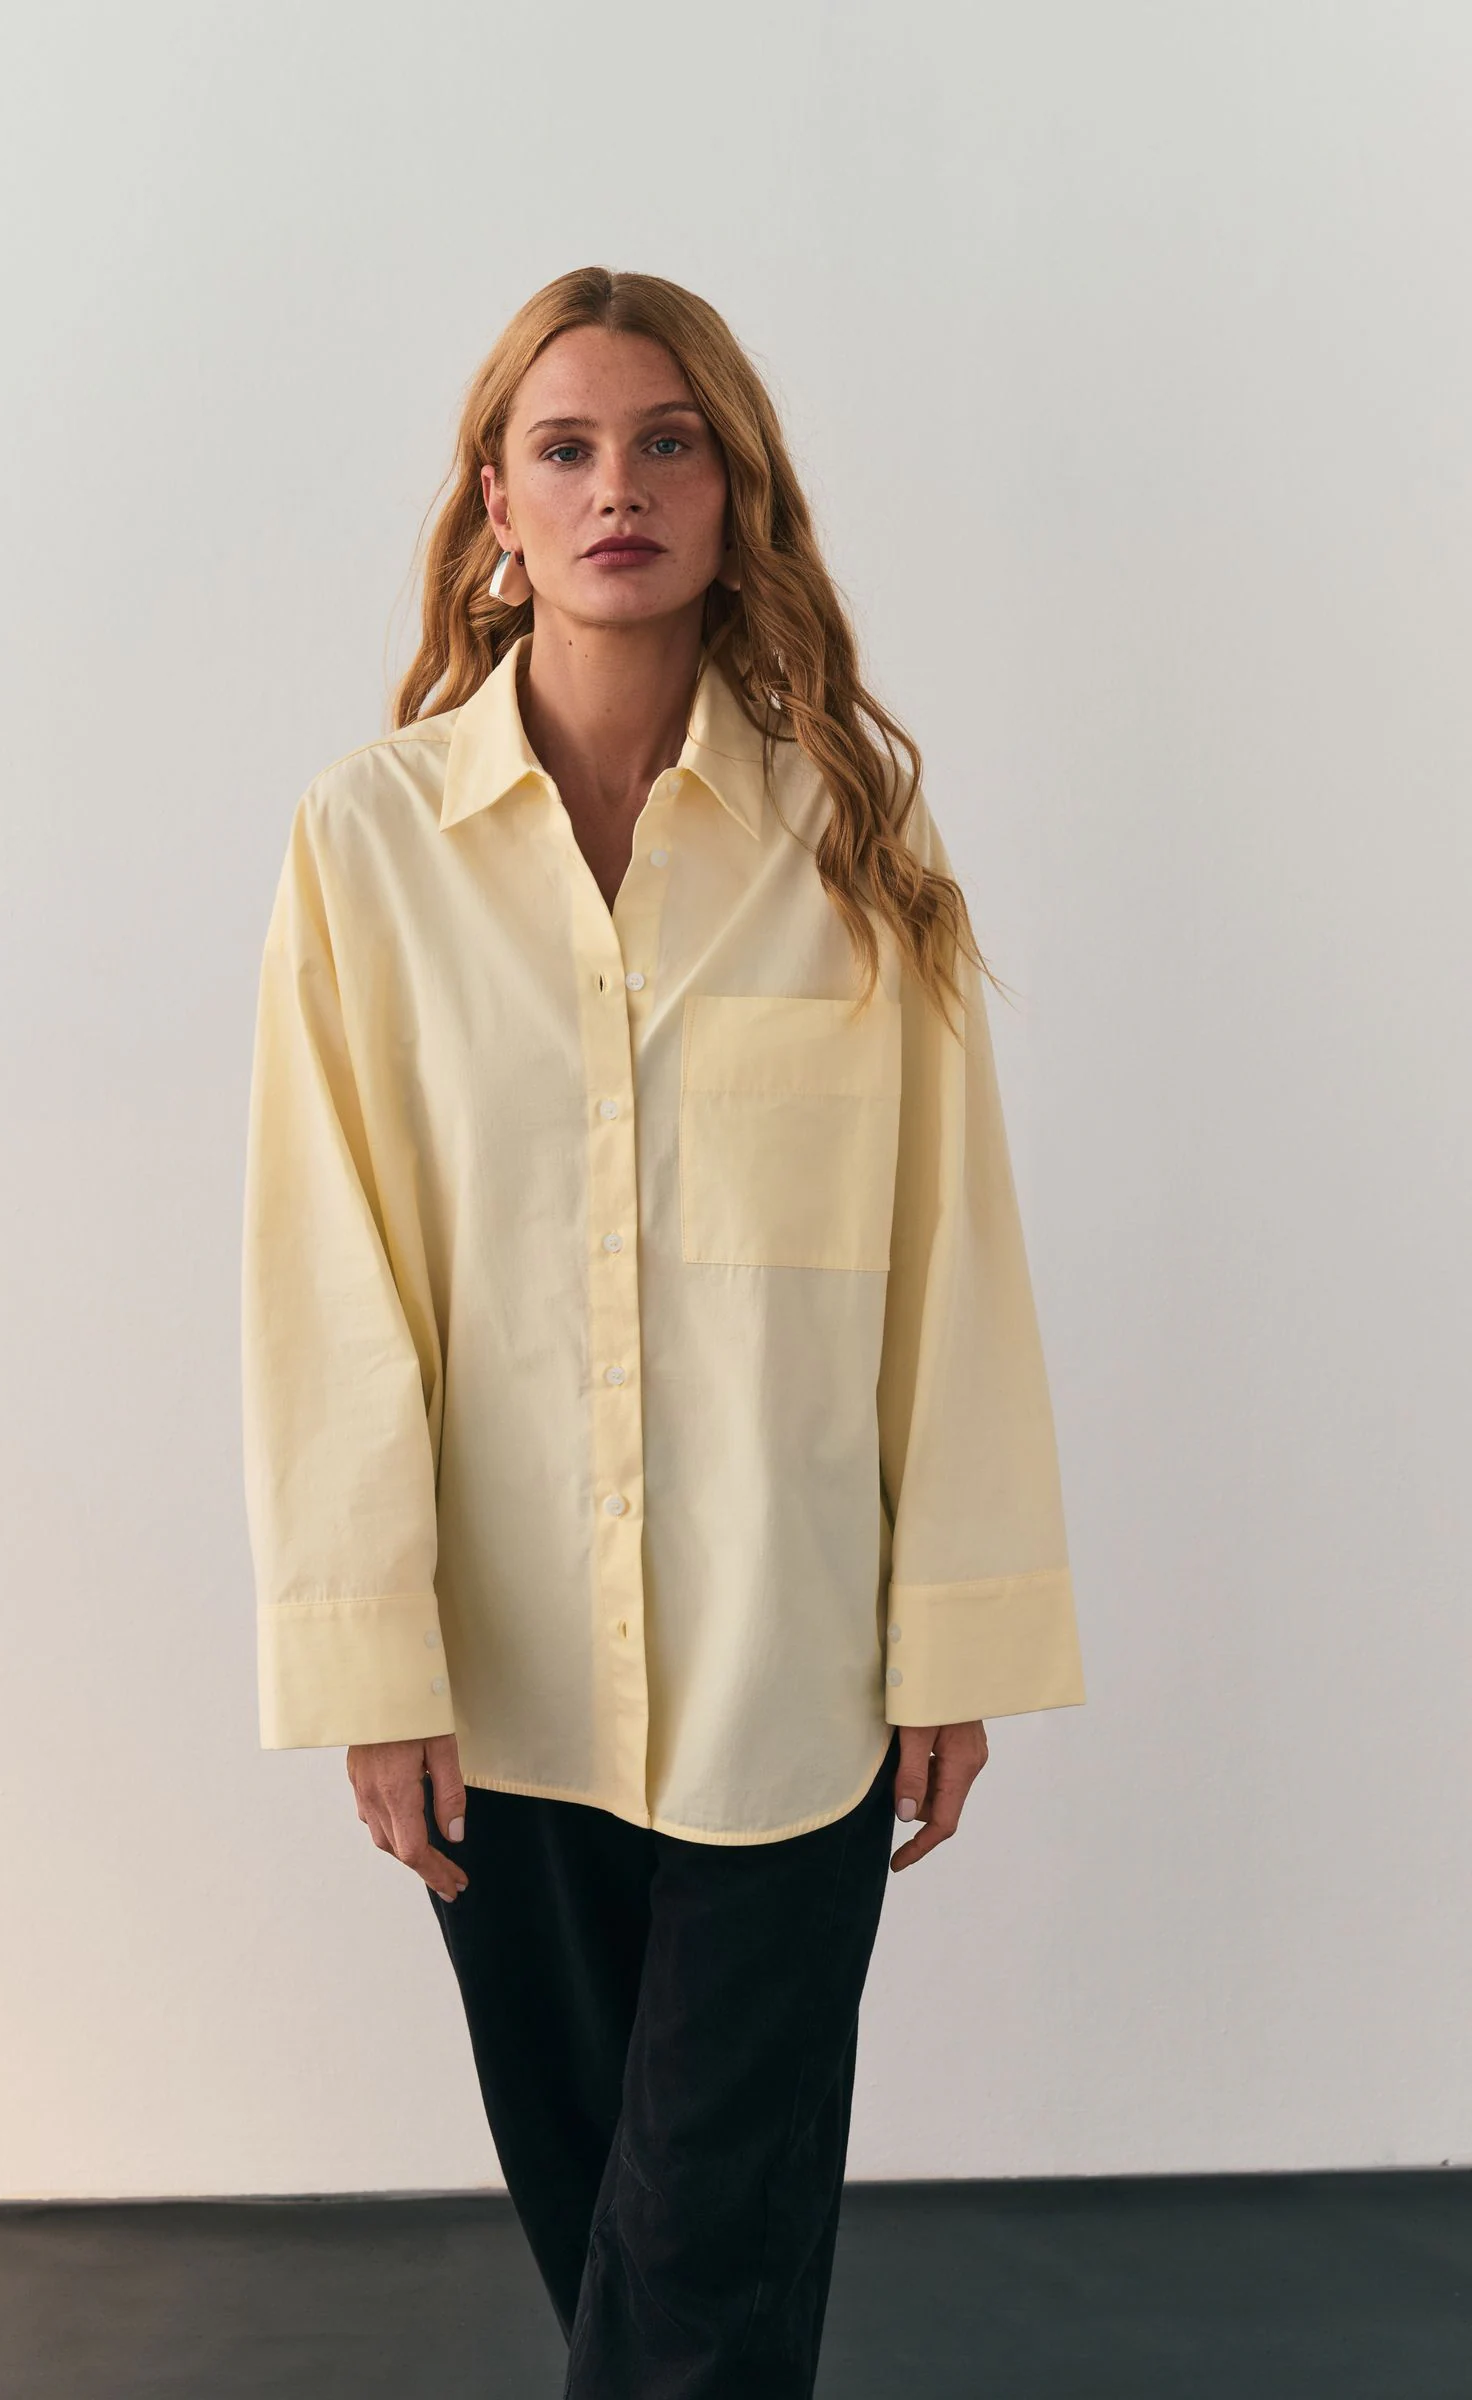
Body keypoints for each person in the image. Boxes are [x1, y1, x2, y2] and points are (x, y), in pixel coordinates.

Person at [241, 264, 1086, 2398]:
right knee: (623, 2230)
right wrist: (369, 1658)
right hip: (498, 1682)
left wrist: (955, 1634)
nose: (619, 485)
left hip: (790, 1678)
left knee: (703, 2232)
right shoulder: (368, 847)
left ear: (733, 492)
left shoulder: (856, 844)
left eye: (668, 442)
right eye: (568, 447)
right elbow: (327, 1276)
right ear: (499, 509)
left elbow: (951, 1256)